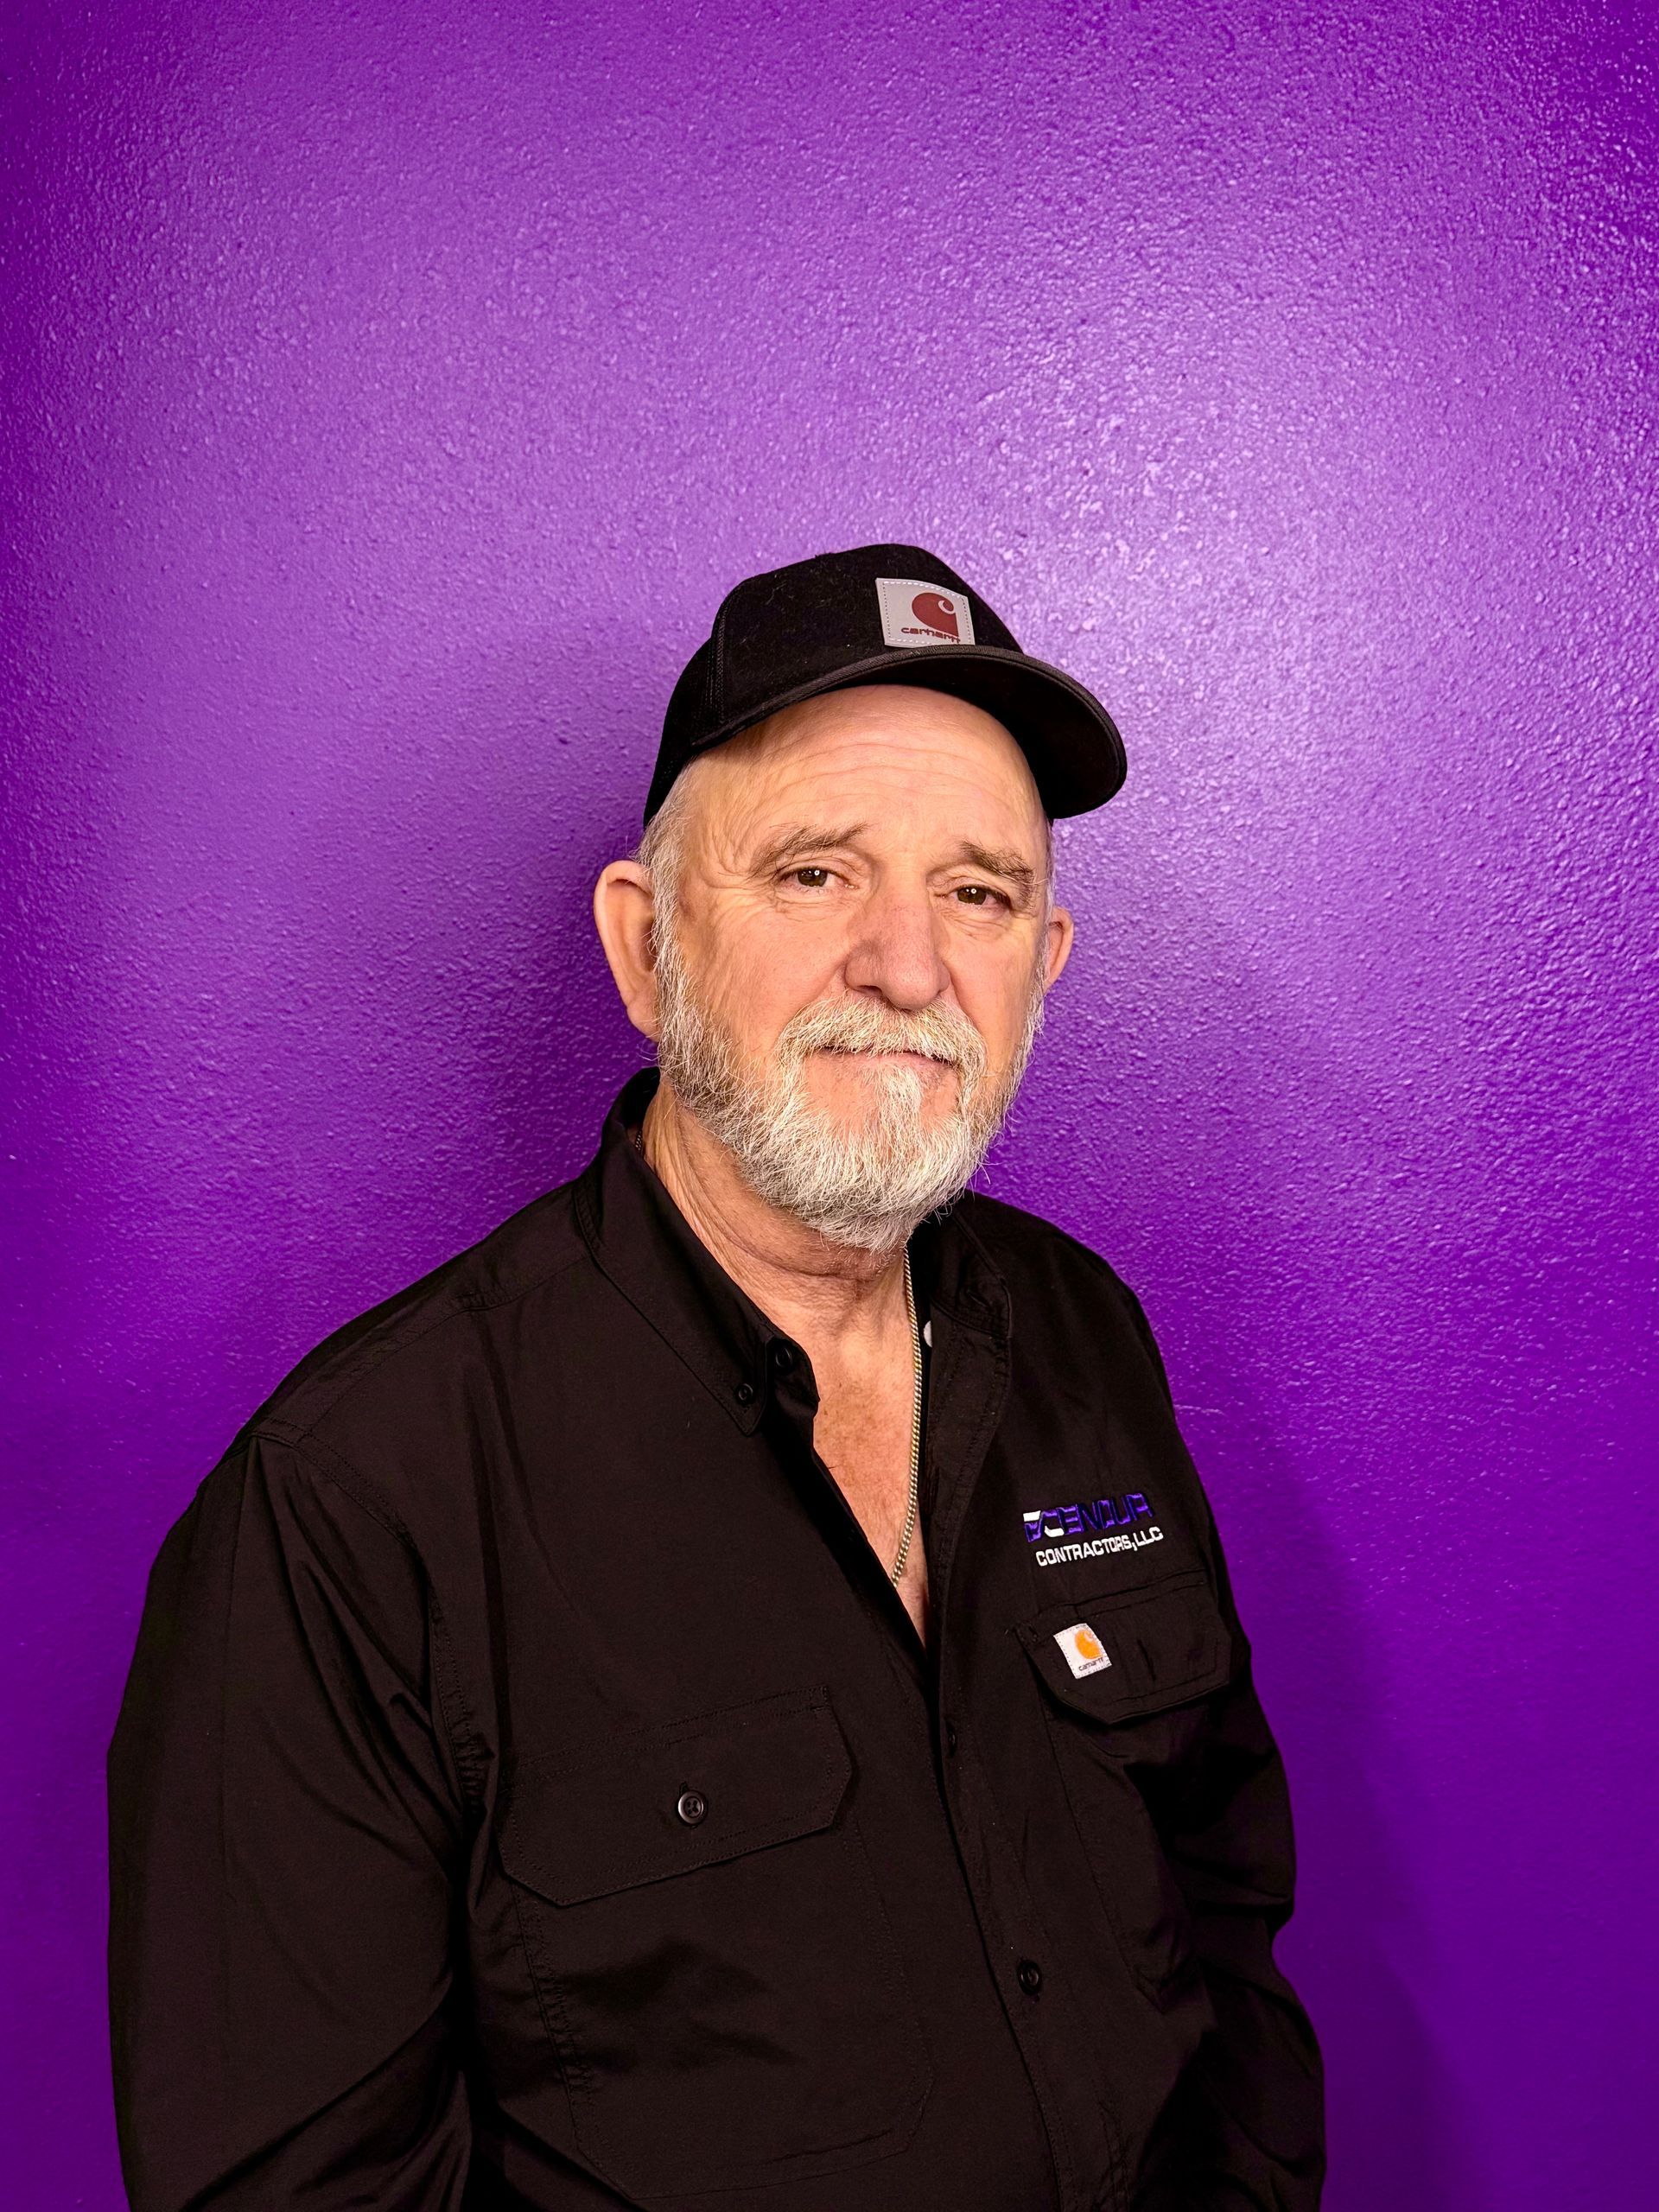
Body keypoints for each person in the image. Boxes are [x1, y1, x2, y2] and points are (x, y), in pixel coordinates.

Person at [109, 543, 1325, 2210]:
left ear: (1042, 963)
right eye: (818, 873)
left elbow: (1221, 1900)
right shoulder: (353, 1509)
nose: (909, 969)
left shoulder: (1082, 1332)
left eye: (975, 894)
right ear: (646, 946)